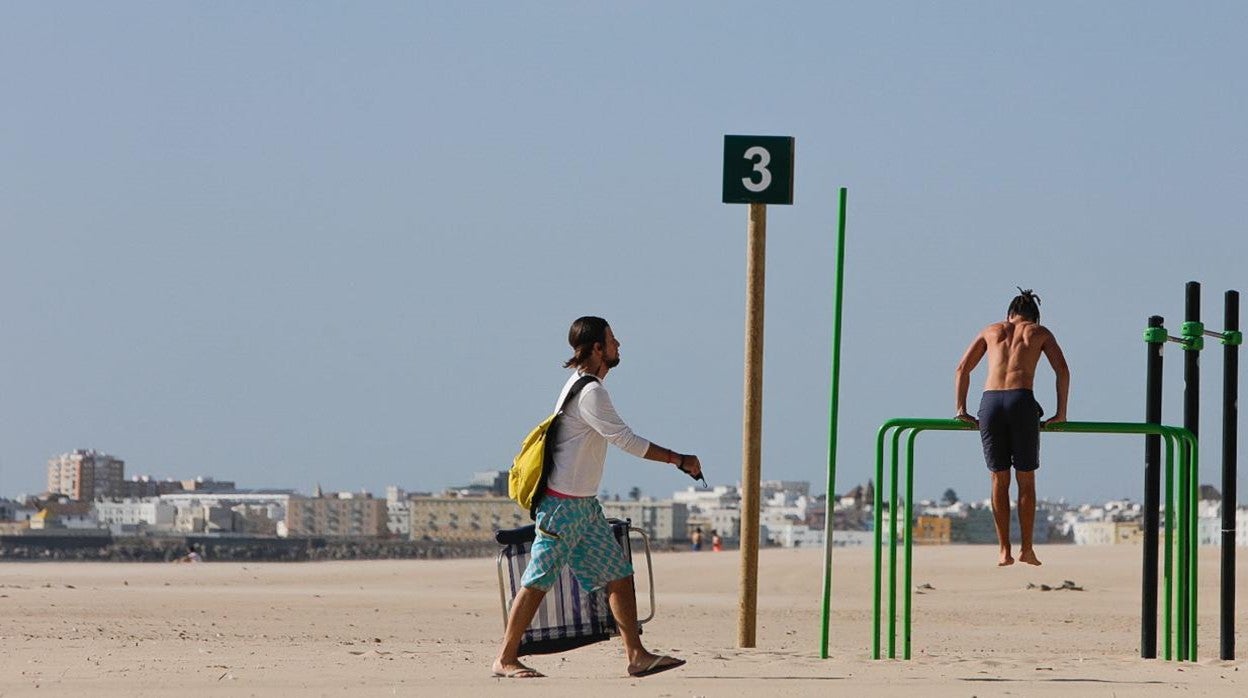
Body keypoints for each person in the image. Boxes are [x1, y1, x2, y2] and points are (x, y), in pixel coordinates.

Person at [492, 316, 703, 680]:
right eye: (612, 339)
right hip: (563, 507)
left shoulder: (579, 385)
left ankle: (636, 655)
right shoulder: (590, 392)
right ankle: (506, 657)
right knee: (538, 579)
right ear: (597, 349)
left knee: (619, 574)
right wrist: (678, 459)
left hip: (583, 506)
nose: (619, 345)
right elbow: (627, 441)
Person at [954, 288, 1070, 567]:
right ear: (1034, 317)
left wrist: (961, 409)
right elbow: (1062, 370)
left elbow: (962, 369)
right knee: (1026, 480)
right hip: (1021, 401)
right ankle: (1027, 549)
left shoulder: (991, 330)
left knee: (998, 478)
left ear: (1009, 315)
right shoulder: (1039, 333)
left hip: (991, 402)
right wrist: (1060, 413)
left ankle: (1003, 550)